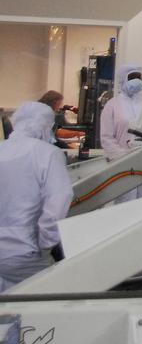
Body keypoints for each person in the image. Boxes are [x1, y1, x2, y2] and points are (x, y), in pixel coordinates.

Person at [0, 101, 74, 292]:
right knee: (55, 295)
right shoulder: (47, 153)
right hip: (24, 250)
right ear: (45, 126)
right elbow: (59, 199)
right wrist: (46, 242)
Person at [99, 65, 142, 159]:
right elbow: (106, 137)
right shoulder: (112, 105)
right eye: (132, 78)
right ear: (123, 80)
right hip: (120, 159)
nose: (136, 80)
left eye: (138, 77)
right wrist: (122, 156)